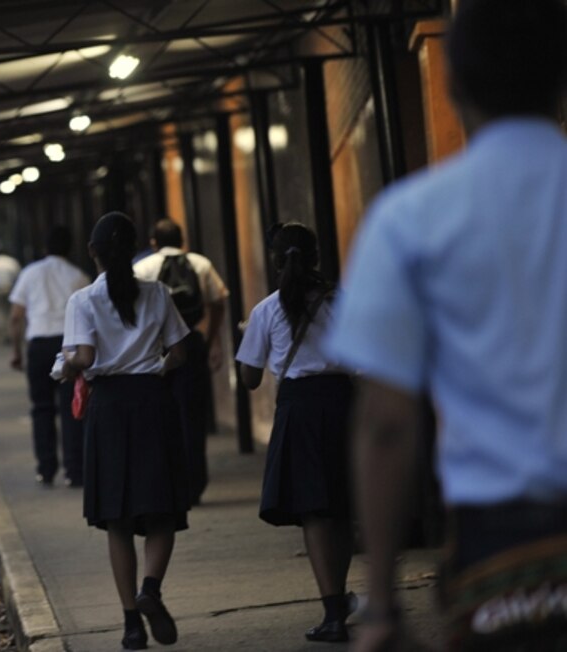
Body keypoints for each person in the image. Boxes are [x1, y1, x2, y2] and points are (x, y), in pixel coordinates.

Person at [323, 1, 567, 650]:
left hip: (505, 559)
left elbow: (386, 423)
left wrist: (380, 604)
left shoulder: (410, 220)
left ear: (452, 83)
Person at [60, 212, 190, 650]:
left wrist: (64, 366)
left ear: (93, 252)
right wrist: (155, 365)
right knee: (161, 510)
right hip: (153, 403)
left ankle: (131, 624)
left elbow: (83, 356)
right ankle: (150, 590)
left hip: (110, 408)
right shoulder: (158, 294)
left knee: (117, 519)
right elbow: (180, 351)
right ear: (136, 247)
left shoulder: (82, 301)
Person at [235, 222, 355, 643]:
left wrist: (251, 337)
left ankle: (332, 611)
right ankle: (338, 602)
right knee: (340, 507)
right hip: (342, 403)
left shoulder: (266, 310)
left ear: (274, 260)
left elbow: (250, 378)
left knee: (314, 512)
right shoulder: (342, 302)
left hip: (298, 409)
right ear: (317, 256)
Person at [133, 218, 229, 506]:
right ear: (182, 239)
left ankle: (167, 484)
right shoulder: (200, 264)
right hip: (191, 342)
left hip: (156, 348)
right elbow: (218, 301)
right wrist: (211, 340)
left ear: (153, 242)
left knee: (158, 416)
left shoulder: (142, 268)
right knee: (193, 416)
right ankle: (194, 485)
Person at [8, 226, 90, 487]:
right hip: (68, 346)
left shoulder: (30, 273)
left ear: (45, 248)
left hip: (39, 344)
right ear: (70, 248)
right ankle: (74, 470)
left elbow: (15, 316)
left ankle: (45, 469)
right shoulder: (79, 276)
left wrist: (16, 351)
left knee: (41, 408)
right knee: (71, 408)